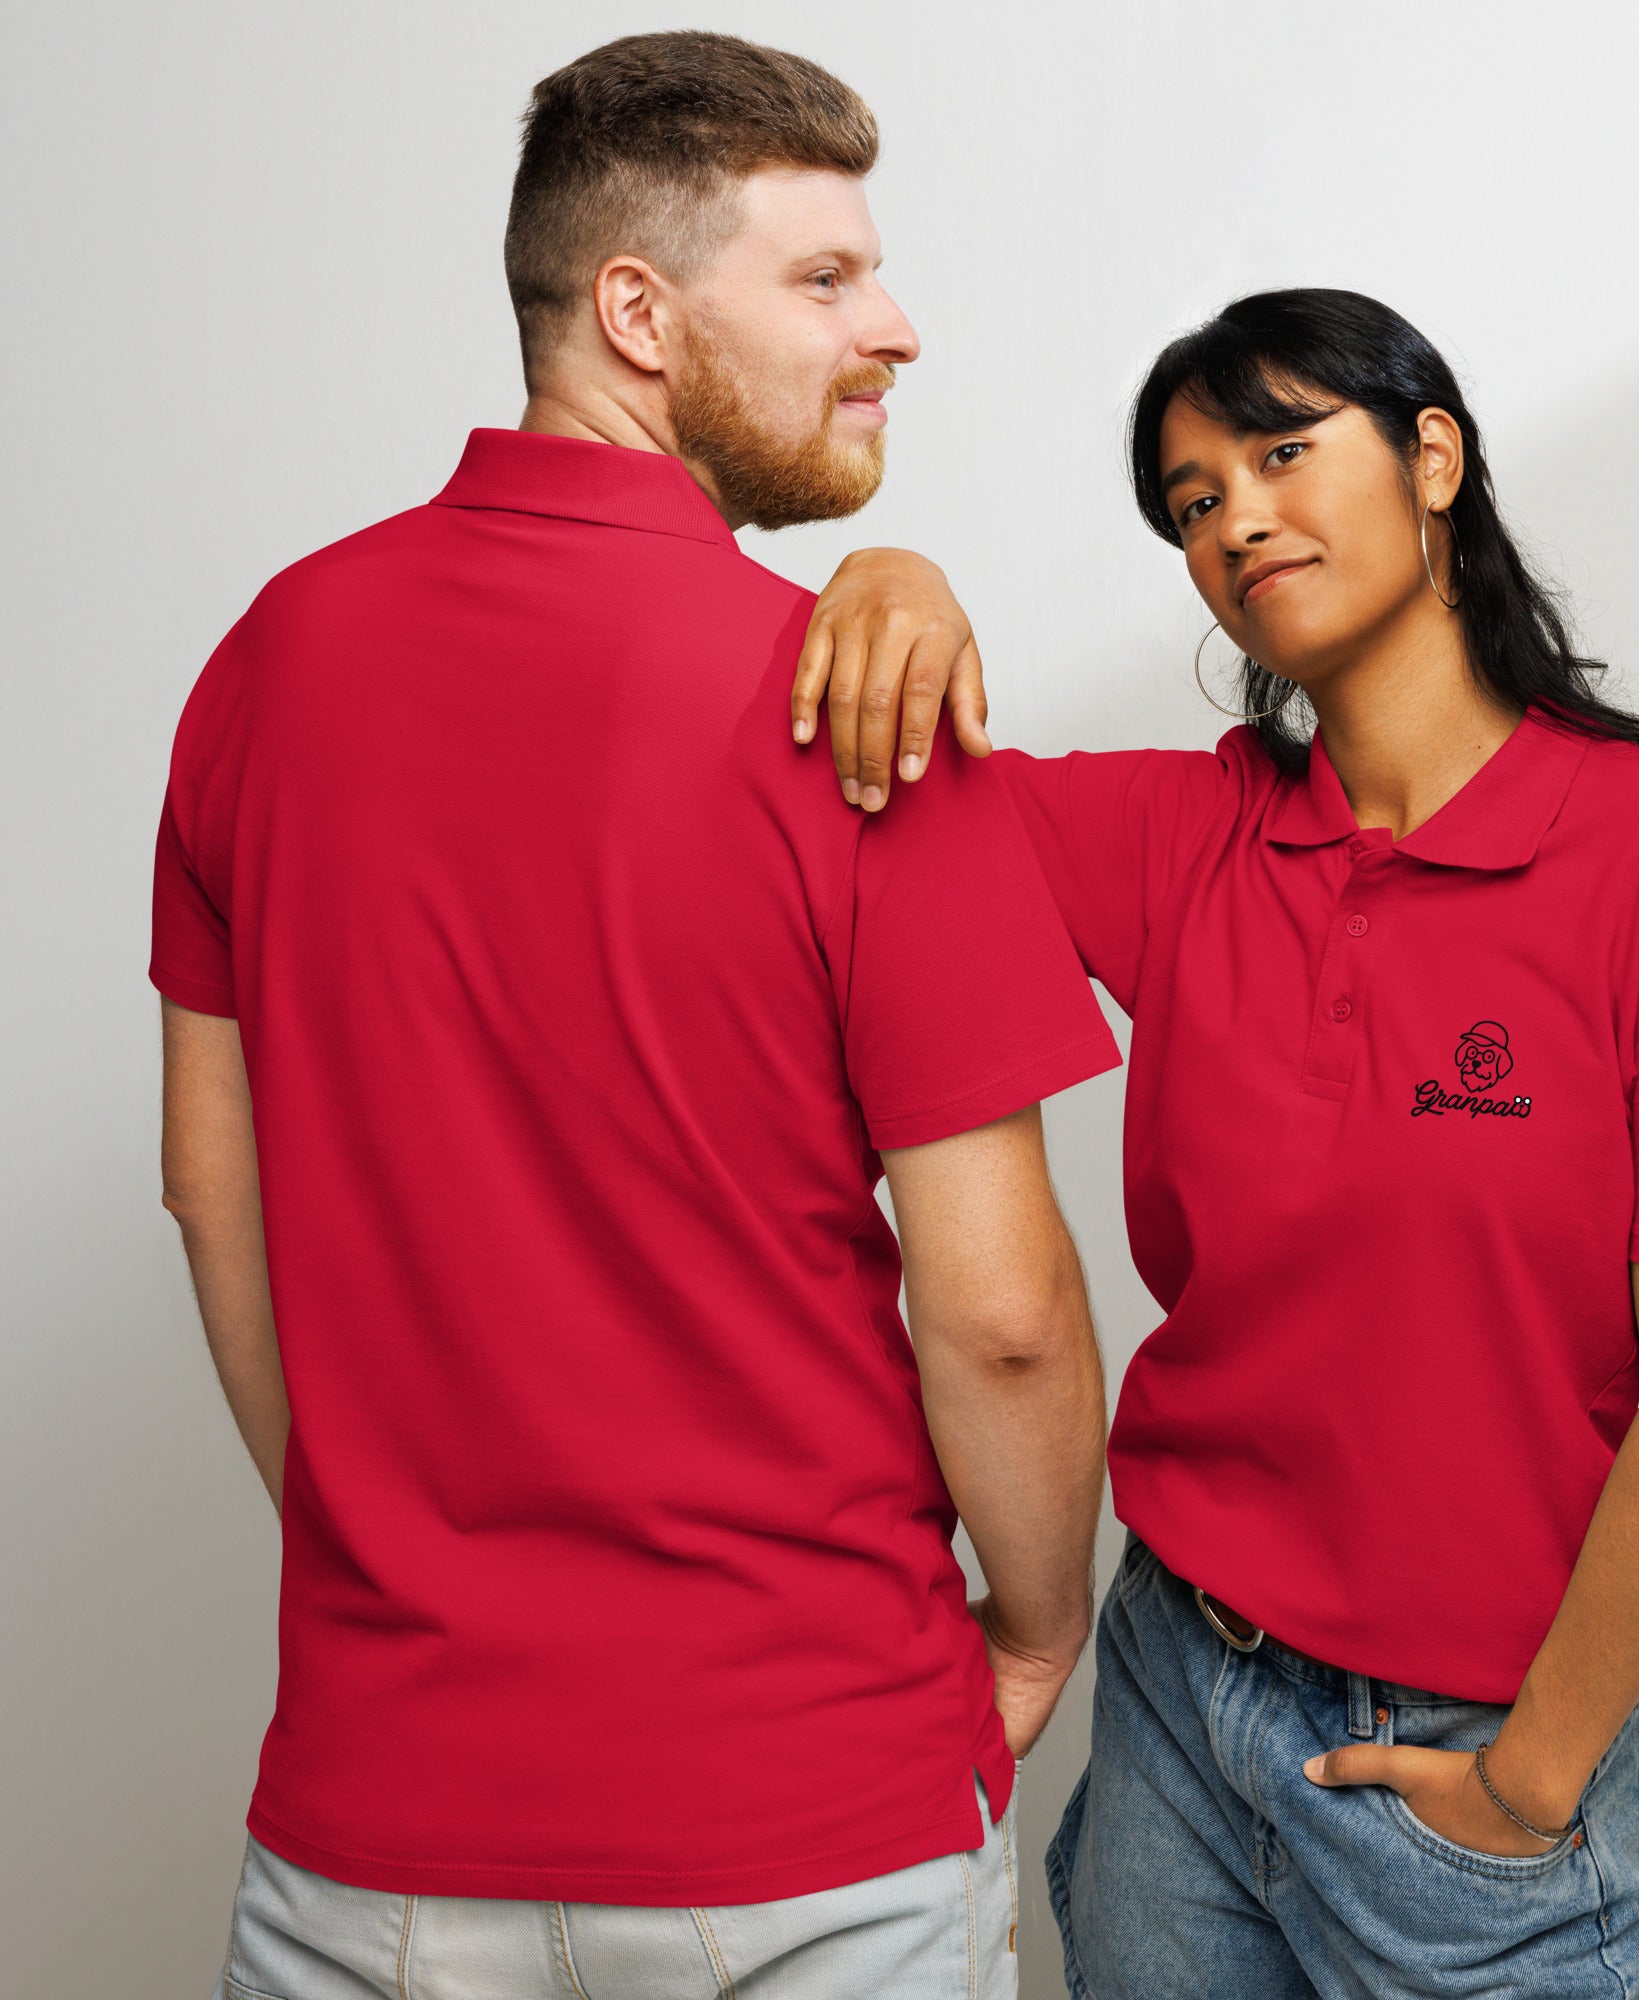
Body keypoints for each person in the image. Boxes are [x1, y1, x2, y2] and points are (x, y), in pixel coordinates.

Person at [154, 32, 1119, 2000]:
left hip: (375, 1825)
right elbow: (1001, 1310)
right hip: (808, 1827)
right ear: (637, 314)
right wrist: (1032, 1633)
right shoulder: (868, 719)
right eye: (828, 279)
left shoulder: (268, 661)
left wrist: (390, 1562)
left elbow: (210, 1188)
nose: (897, 327)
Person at [792, 288, 1639, 1998]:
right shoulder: (1186, 839)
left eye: (1285, 451)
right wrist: (892, 580)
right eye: (1195, 501)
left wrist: (1532, 1780)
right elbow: (891, 783)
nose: (1238, 521)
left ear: (1435, 458)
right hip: (1173, 1709)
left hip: (1479, 1772)